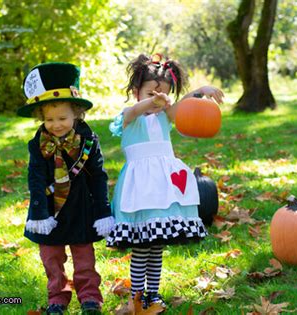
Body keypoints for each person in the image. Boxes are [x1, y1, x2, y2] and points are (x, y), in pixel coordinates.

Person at [106, 53, 224, 310]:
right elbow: (133, 111)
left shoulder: (164, 116)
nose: (157, 101)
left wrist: (200, 91)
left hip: (164, 189)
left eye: (163, 96)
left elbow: (182, 107)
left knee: (157, 245)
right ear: (136, 91)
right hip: (140, 189)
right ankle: (136, 295)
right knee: (141, 246)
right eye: (150, 94)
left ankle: (153, 293)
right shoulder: (130, 116)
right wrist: (149, 103)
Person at [17, 62, 115, 315]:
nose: (56, 124)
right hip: (49, 209)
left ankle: (90, 297)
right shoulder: (37, 144)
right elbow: (35, 178)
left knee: (84, 257)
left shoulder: (88, 142)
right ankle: (57, 297)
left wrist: (103, 210)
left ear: (77, 114)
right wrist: (39, 214)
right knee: (51, 257)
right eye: (49, 119)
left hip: (80, 206)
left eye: (62, 118)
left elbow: (98, 177)